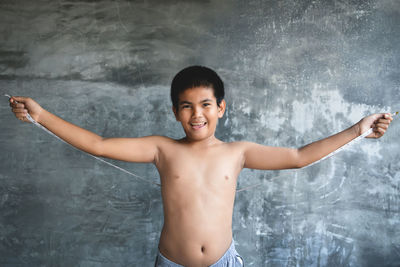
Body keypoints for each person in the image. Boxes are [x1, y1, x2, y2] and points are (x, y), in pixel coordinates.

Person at [8, 66, 393, 267]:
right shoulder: (162, 149)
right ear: (175, 112)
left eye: (206, 104)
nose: (197, 114)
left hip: (224, 261)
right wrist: (41, 115)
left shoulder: (238, 152)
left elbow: (297, 156)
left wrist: (357, 130)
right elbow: (99, 144)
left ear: (221, 108)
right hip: (173, 262)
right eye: (187, 106)